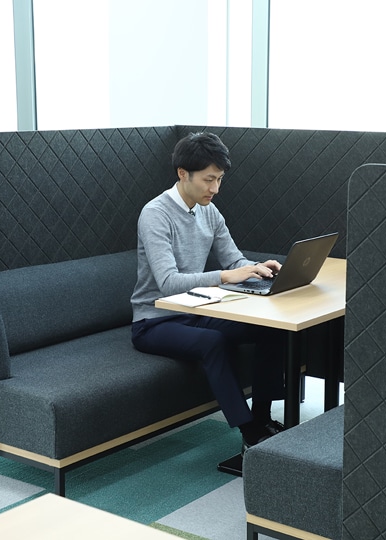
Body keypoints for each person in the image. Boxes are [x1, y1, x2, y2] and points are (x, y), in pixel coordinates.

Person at [131, 131, 286, 453]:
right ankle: (249, 432)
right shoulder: (155, 214)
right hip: (153, 321)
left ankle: (263, 418)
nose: (215, 189)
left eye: (219, 179)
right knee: (212, 342)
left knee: (272, 329)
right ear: (183, 174)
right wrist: (226, 276)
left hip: (196, 313)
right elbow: (168, 283)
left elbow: (234, 260)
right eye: (208, 179)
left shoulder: (209, 210)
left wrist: (258, 267)